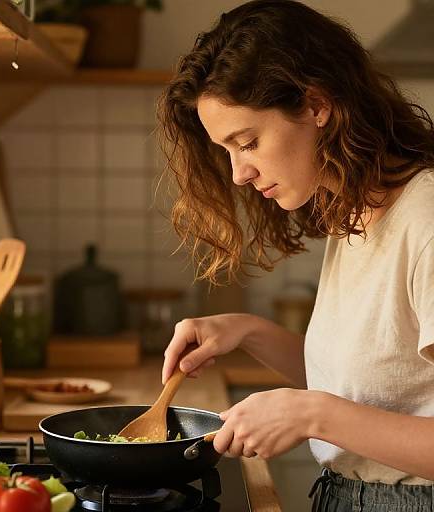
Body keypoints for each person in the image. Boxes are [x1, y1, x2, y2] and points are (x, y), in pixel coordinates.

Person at [156, 1, 434, 510]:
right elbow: (373, 393)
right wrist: (247, 331)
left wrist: (312, 416)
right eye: (227, 151)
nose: (239, 173)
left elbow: (336, 411)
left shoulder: (426, 219)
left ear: (315, 105)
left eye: (248, 142)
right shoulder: (355, 211)